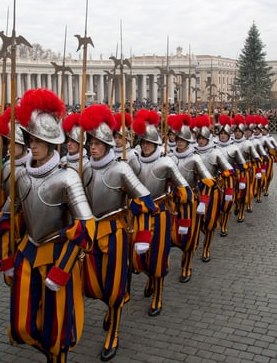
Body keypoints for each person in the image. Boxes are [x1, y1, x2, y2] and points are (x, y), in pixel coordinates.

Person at [0, 88, 95, 363]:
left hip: (58, 254)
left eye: (39, 140)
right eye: (30, 139)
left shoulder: (68, 178)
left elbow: (86, 226)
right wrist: (4, 253)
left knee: (57, 327)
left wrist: (63, 268)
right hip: (29, 252)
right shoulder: (21, 176)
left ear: (52, 143)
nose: (33, 145)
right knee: (22, 324)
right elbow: (8, 215)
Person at [80, 104, 153, 361]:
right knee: (92, 285)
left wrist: (134, 210)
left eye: (99, 143)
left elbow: (146, 200)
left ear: (109, 145)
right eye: (91, 142)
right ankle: (111, 308)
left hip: (116, 234)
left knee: (114, 286)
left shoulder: (121, 169)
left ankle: (114, 330)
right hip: (91, 234)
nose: (93, 147)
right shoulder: (85, 168)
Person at [129, 109, 192, 317]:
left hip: (160, 215)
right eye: (143, 142)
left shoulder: (166, 162)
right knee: (139, 259)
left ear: (156, 144)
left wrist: (175, 195)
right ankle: (149, 276)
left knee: (157, 256)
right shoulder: (133, 161)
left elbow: (184, 189)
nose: (145, 146)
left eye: (149, 143)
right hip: (140, 216)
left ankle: (158, 294)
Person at [166, 114, 215, 283]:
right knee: (166, 235)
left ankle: (186, 266)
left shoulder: (195, 158)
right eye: (177, 139)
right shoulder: (169, 157)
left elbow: (208, 181)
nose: (179, 142)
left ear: (188, 141)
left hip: (189, 202)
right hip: (172, 202)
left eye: (182, 140)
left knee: (188, 236)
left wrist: (204, 202)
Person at [192, 115, 234, 262]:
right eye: (199, 138)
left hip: (212, 192)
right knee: (195, 221)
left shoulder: (215, 152)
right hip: (196, 192)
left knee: (209, 223)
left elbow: (229, 170)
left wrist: (219, 179)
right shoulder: (193, 152)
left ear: (208, 138)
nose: (201, 141)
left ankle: (206, 248)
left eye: (203, 138)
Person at [214, 115, 247, 235]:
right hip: (216, 179)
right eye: (220, 134)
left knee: (227, 203)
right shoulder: (214, 147)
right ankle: (217, 220)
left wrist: (242, 179)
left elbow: (243, 165)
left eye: (224, 134)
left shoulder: (234, 148)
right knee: (216, 203)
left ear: (228, 135)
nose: (222, 136)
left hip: (230, 178)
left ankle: (224, 225)